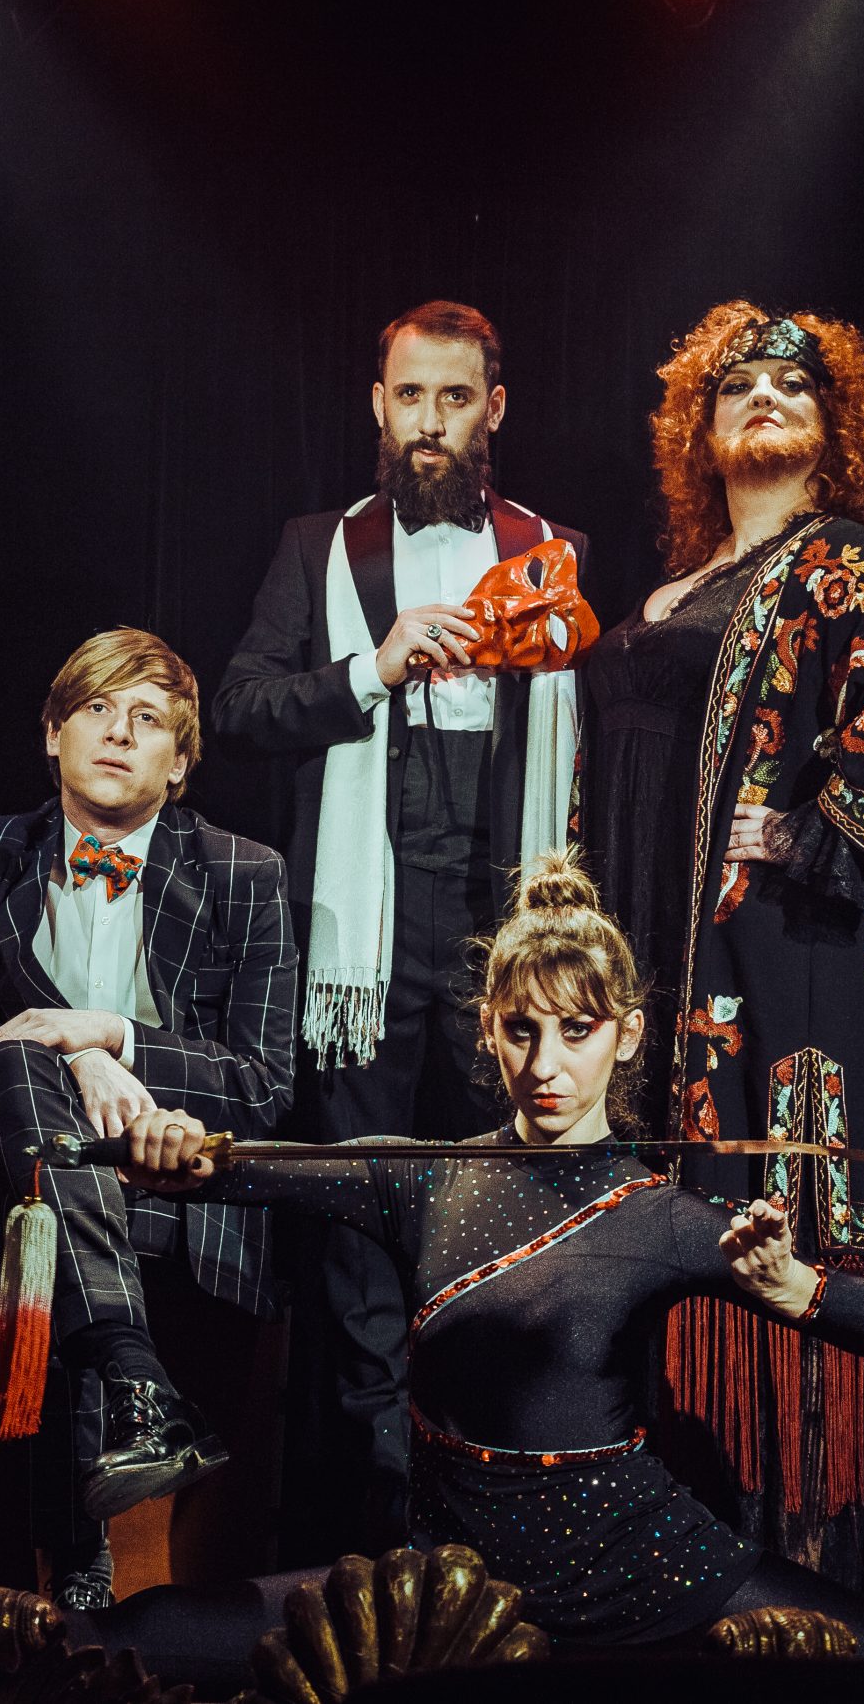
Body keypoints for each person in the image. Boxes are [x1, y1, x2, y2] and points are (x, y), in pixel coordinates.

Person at [99, 854, 864, 1672]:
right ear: (487, 1029)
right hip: (453, 1589)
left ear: (628, 1033)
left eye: (578, 1029)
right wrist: (175, 1149)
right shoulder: (420, 1178)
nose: (547, 1063)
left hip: (646, 1573)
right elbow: (240, 1169)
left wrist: (789, 1283)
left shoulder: (663, 1215)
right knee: (142, 1632)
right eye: (522, 1029)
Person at [586, 302, 864, 1571]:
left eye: (792, 387)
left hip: (778, 962)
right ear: (696, 428)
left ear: (834, 428)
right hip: (650, 952)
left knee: (765, 1249)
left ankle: (794, 1592)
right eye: (736, 384)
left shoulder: (838, 559)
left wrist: (806, 830)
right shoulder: (675, 588)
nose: (762, 396)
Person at [214, 300, 589, 1544]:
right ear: (377, 405)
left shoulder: (553, 551)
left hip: (501, 912)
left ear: (495, 409)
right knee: (364, 1214)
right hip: (362, 925)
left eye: (454, 398)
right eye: (410, 396)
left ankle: (489, 1498)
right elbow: (240, 710)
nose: (431, 423)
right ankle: (379, 1516)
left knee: (499, 1203)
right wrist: (371, 667)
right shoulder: (318, 545)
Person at [0, 627, 297, 1602]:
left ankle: (74, 1562)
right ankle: (133, 1381)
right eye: (96, 709)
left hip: (173, 1177)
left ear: (180, 762)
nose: (119, 733)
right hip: (19, 1161)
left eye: (148, 718)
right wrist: (74, 1059)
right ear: (53, 733)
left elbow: (263, 1084)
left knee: (59, 1208)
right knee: (18, 1071)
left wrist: (109, 1033)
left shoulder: (244, 872)